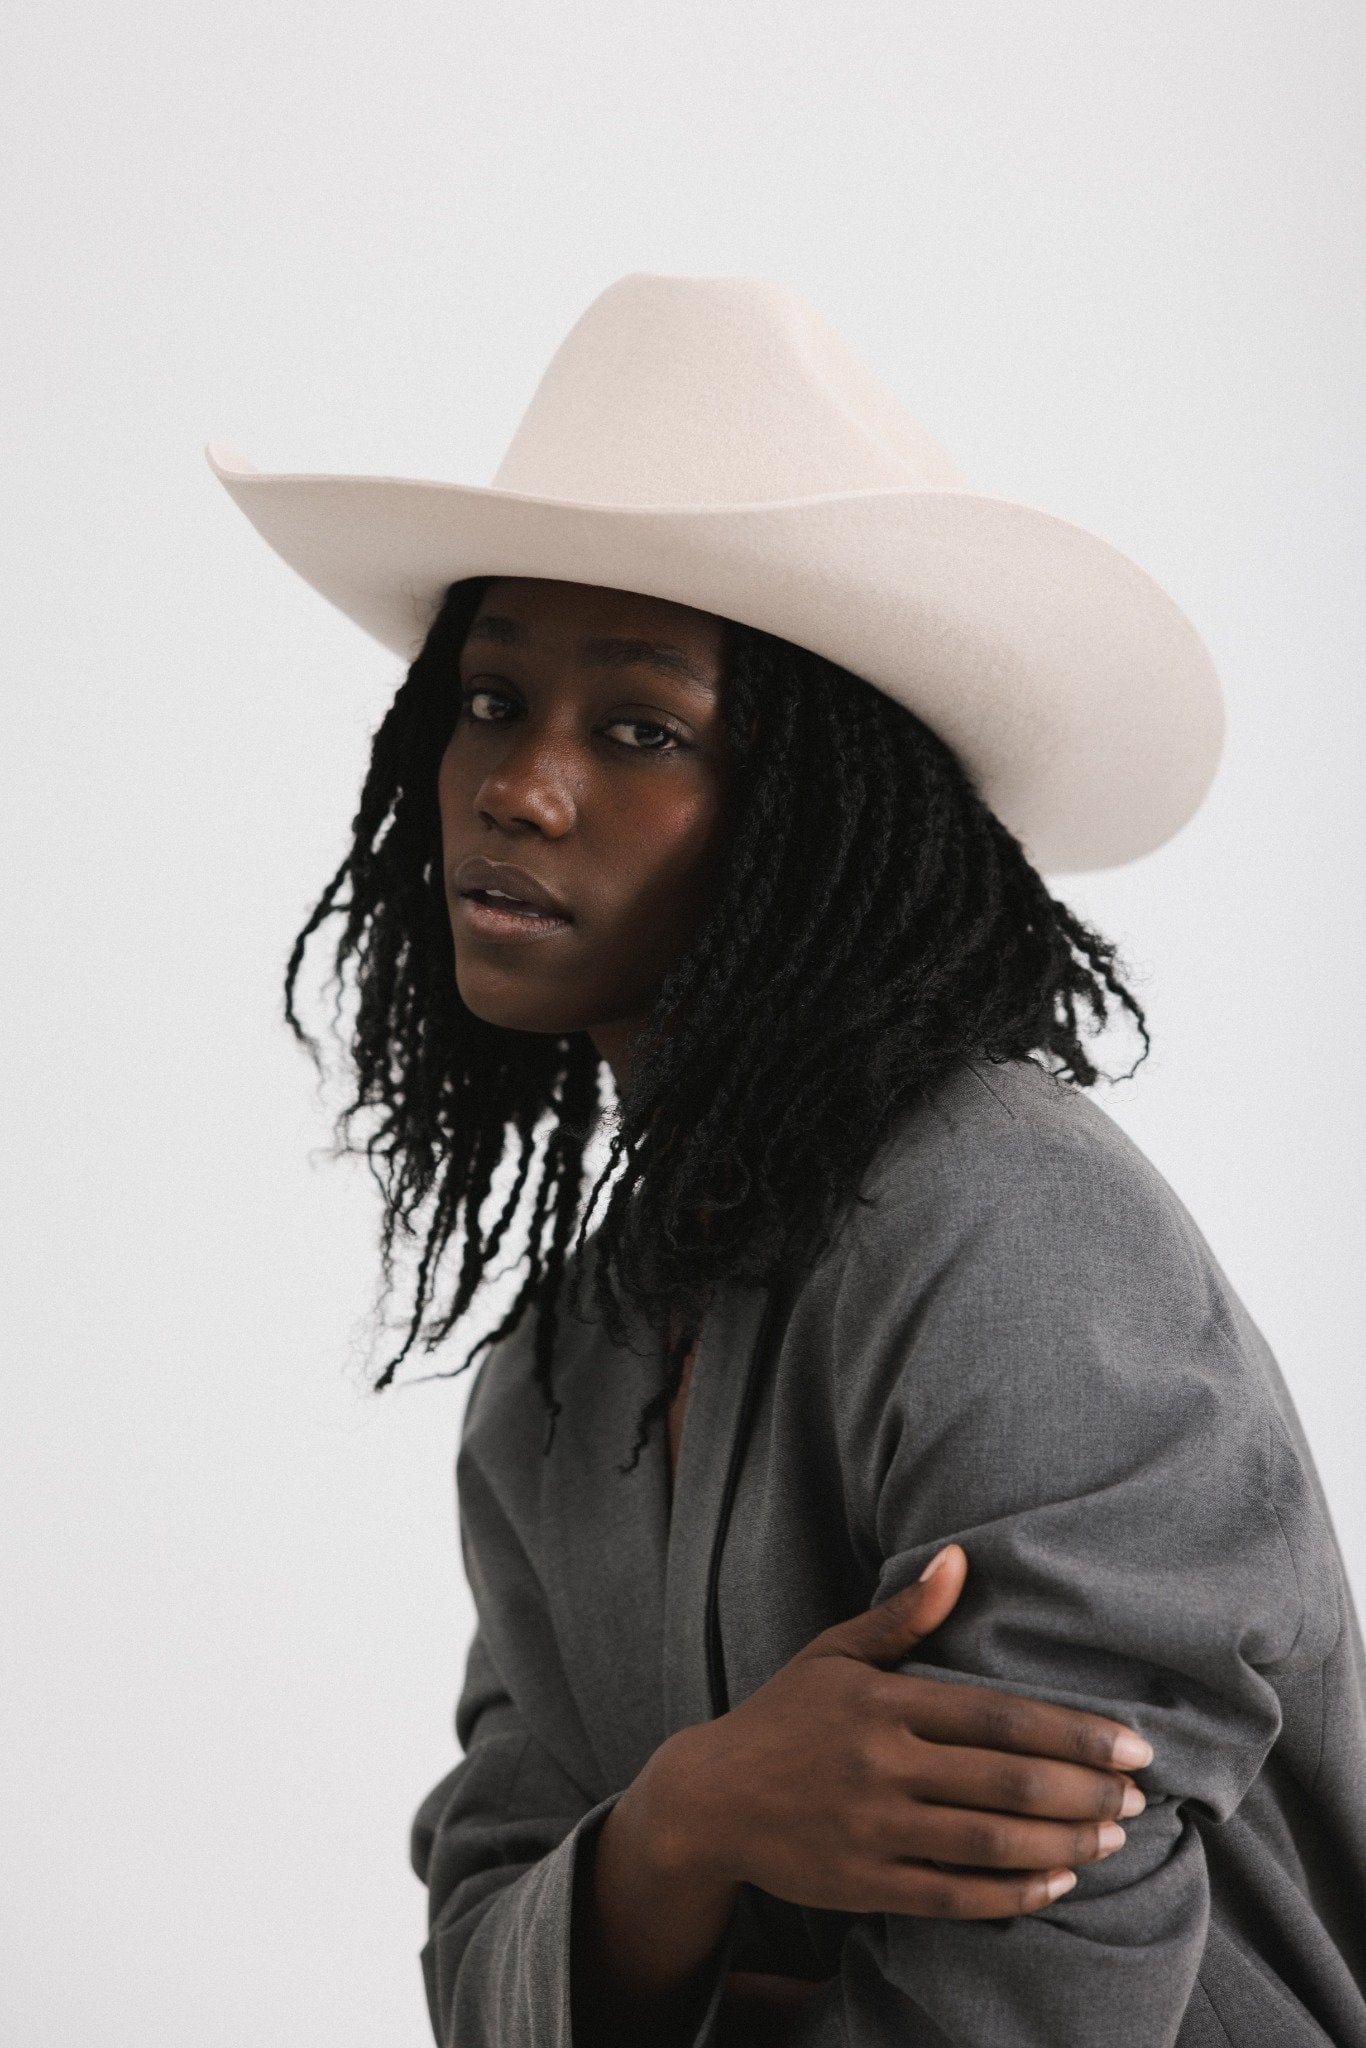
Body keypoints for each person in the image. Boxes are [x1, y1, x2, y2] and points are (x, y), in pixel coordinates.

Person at [207, 275, 1366, 2047]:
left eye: (640, 729)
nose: (514, 787)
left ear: (815, 815)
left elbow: (1050, 1957)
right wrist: (685, 1828)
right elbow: (482, 1960)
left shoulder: (1006, 1219)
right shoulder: (555, 1377)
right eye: (493, 698)